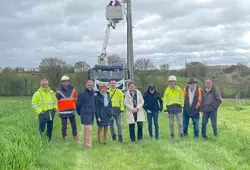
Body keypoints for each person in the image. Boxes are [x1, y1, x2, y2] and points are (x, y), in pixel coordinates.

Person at [56, 75, 79, 142]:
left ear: (68, 82)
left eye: (66, 81)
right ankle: (65, 137)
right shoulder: (58, 92)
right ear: (62, 83)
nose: (65, 83)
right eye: (64, 82)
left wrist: (74, 107)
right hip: (63, 111)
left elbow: (75, 99)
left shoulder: (73, 90)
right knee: (64, 126)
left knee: (74, 125)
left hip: (71, 110)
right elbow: (56, 101)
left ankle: (75, 137)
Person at [76, 80, 96, 148]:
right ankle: (88, 145)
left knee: (86, 129)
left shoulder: (93, 93)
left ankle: (85, 143)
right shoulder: (82, 94)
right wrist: (80, 112)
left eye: (91, 85)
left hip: (91, 113)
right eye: (89, 85)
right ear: (86, 85)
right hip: (85, 113)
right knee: (89, 129)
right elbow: (78, 104)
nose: (90, 86)